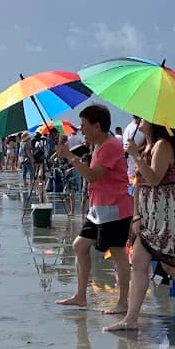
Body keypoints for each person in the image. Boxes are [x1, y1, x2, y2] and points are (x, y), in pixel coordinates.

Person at [107, 120, 175, 331]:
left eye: (141, 118)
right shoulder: (146, 146)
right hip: (148, 211)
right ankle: (131, 319)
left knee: (171, 265)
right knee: (139, 264)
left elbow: (154, 179)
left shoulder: (163, 145)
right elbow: (139, 183)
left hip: (165, 211)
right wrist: (136, 217)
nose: (137, 122)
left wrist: (135, 155)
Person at [56, 104, 134, 313]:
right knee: (79, 246)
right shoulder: (97, 145)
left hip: (115, 208)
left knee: (118, 253)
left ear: (97, 126)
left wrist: (70, 157)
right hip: (98, 209)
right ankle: (80, 295)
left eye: (84, 125)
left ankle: (123, 302)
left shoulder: (110, 145)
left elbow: (93, 175)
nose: (81, 129)